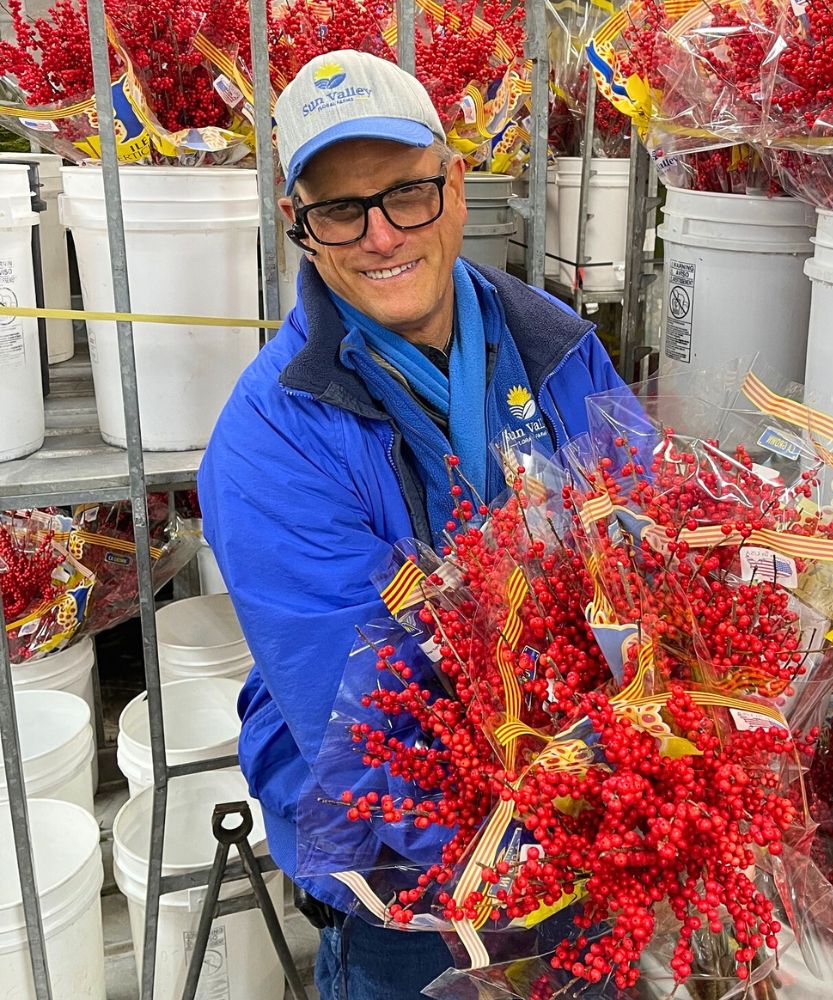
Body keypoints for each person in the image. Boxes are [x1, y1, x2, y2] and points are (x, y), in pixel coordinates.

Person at [197, 49, 625, 999]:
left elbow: (647, 555)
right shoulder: (271, 439)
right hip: (414, 879)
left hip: (592, 830)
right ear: (297, 228)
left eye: (405, 195)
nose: (381, 236)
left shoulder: (559, 348)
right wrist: (538, 853)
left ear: (457, 184)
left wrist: (654, 768)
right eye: (340, 210)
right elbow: (364, 722)